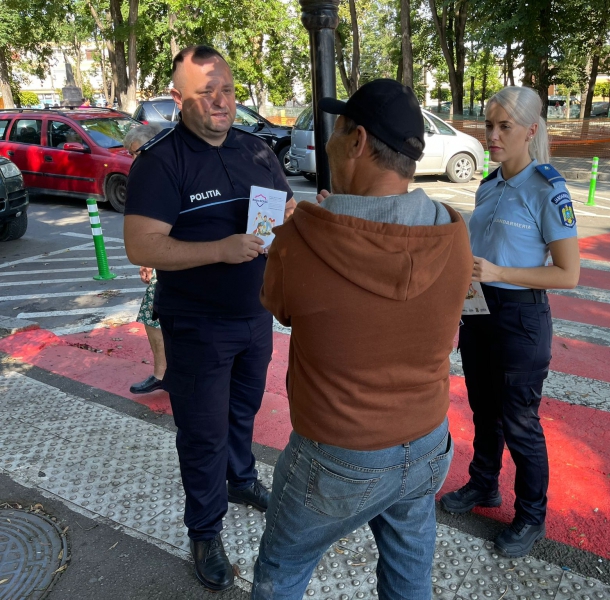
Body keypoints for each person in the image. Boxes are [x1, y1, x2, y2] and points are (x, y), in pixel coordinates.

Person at [251, 79, 473, 600]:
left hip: (338, 454)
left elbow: (280, 306)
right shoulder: (454, 232)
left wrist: (323, 221)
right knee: (409, 574)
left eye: (336, 130)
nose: (327, 141)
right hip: (426, 442)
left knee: (282, 569)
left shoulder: (302, 238)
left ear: (357, 141)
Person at [123, 45, 296, 592]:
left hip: (256, 315)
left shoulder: (256, 149)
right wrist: (220, 249)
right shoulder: (161, 161)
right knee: (202, 435)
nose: (221, 101)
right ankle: (204, 531)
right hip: (197, 325)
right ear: (178, 100)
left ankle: (240, 479)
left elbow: (281, 213)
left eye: (227, 90)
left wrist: (291, 217)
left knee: (243, 411)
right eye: (206, 92)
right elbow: (141, 245)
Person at [439, 86, 581, 558]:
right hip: (479, 311)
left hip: (521, 318)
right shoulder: (490, 183)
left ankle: (531, 516)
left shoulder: (547, 189)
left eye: (505, 127)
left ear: (531, 131)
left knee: (520, 422)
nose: (493, 136)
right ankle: (484, 483)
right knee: (483, 410)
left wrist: (501, 273)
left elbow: (568, 273)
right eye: (489, 125)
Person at [123, 123, 167, 394]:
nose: (134, 159)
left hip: (174, 261)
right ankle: (164, 372)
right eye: (131, 154)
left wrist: (151, 257)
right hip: (167, 258)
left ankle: (163, 373)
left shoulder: (159, 175)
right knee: (154, 316)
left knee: (153, 316)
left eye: (136, 153)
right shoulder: (160, 172)